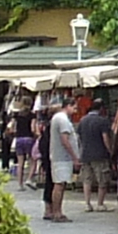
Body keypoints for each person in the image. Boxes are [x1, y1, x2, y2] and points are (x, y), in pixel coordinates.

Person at [44, 95, 82, 223]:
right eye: (74, 108)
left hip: (59, 157)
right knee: (59, 184)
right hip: (62, 158)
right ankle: (57, 212)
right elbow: (65, 140)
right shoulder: (63, 120)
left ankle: (58, 211)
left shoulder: (57, 118)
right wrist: (75, 157)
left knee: (60, 184)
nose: (75, 111)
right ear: (68, 106)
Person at [76, 91, 115, 207]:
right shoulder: (102, 121)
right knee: (102, 180)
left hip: (86, 154)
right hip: (100, 154)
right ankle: (100, 204)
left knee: (87, 180)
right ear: (101, 108)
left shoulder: (83, 120)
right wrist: (110, 150)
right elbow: (105, 138)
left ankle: (87, 203)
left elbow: (79, 137)